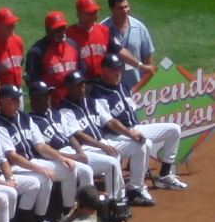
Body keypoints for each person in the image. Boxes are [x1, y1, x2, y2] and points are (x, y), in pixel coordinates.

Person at [0, 85, 90, 222]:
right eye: (13, 98)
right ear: (3, 101)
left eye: (19, 97)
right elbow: (11, 156)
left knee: (70, 168)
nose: (18, 101)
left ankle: (66, 213)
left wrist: (62, 158)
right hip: (15, 167)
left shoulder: (24, 117)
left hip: (31, 161)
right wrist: (39, 169)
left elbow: (40, 145)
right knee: (44, 178)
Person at [57, 70, 155, 206]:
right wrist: (103, 146)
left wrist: (130, 133)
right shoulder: (64, 109)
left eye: (83, 85)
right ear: (68, 87)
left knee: (140, 145)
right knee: (112, 158)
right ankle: (116, 200)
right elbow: (79, 135)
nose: (81, 88)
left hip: (102, 142)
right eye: (77, 86)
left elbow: (110, 121)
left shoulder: (90, 102)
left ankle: (135, 190)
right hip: (87, 148)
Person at [90, 54, 187, 189]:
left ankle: (164, 175)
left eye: (119, 68)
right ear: (104, 69)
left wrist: (133, 131)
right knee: (145, 143)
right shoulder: (98, 93)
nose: (117, 72)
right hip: (114, 136)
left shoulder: (123, 85)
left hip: (134, 128)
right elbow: (110, 123)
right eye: (113, 69)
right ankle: (136, 187)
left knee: (174, 129)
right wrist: (130, 133)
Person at [28, 81, 124, 200]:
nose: (48, 98)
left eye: (49, 94)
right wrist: (71, 157)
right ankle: (82, 208)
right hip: (54, 157)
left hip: (72, 152)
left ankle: (114, 201)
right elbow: (43, 149)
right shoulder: (30, 121)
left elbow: (71, 136)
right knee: (86, 171)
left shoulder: (56, 114)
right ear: (34, 99)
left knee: (112, 163)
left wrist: (79, 152)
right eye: (44, 96)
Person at [66, 0, 154, 84]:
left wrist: (140, 66)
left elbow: (119, 50)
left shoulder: (104, 30)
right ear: (79, 15)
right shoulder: (69, 35)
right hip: (82, 85)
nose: (94, 16)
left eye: (95, 12)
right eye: (89, 14)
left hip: (103, 83)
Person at [24, 11, 81, 107]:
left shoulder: (73, 45)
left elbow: (80, 72)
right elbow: (31, 82)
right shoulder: (37, 51)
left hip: (74, 103)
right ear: (47, 30)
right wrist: (43, 101)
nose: (61, 32)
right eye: (56, 29)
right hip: (53, 105)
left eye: (62, 28)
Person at [101, 0, 155, 89]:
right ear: (112, 9)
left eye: (126, 7)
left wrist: (147, 83)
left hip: (136, 86)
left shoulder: (139, 27)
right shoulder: (102, 29)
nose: (125, 11)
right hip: (111, 88)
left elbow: (147, 56)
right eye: (120, 8)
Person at [0, 8, 24, 108]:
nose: (12, 27)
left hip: (18, 92)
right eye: (8, 25)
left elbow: (19, 64)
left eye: (13, 23)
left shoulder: (18, 41)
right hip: (2, 96)